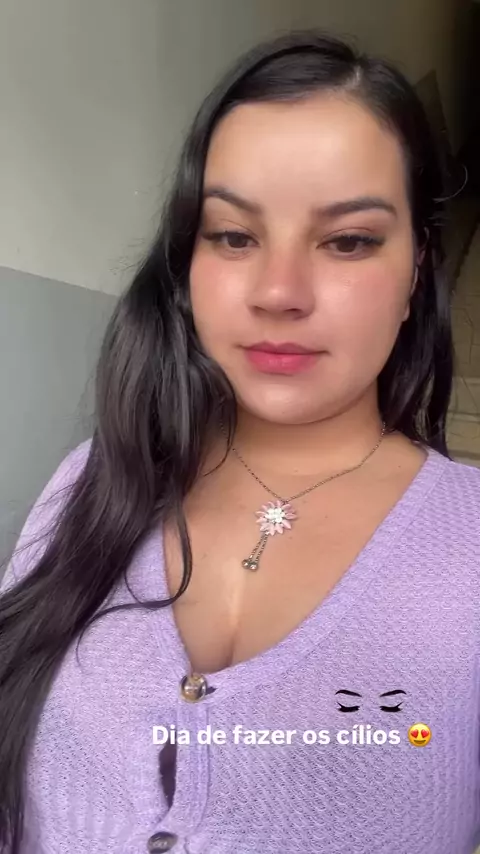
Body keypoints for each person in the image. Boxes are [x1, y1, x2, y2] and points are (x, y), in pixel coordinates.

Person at [0, 28, 478, 854]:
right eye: (233, 235)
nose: (278, 291)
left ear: (415, 273)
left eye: (349, 240)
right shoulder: (91, 480)